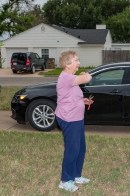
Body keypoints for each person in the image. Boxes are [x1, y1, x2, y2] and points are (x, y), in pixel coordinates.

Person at [55, 50, 93, 192]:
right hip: (68, 118)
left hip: (77, 118)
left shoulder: (70, 77)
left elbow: (69, 95)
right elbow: (87, 78)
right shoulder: (66, 77)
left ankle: (76, 175)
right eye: (76, 60)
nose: (79, 63)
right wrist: (84, 75)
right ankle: (65, 181)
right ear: (67, 64)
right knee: (72, 150)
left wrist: (81, 100)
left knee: (80, 148)